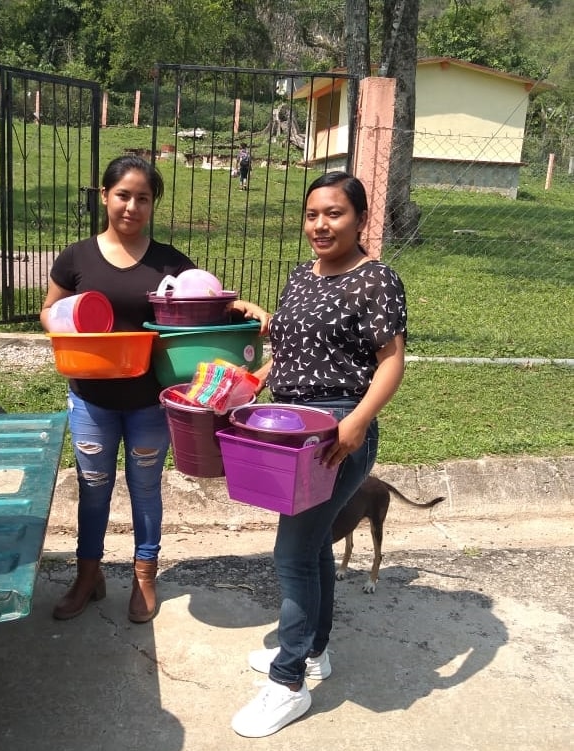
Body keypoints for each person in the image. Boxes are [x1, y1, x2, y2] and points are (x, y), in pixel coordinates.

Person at [40, 154, 268, 624]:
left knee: (145, 488)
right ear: (105, 196)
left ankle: (145, 575)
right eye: (123, 195)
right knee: (93, 488)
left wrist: (239, 305)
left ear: (152, 204)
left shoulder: (171, 263)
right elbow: (49, 309)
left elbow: (204, 305)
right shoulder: (76, 257)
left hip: (149, 401)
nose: (132, 206)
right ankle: (88, 575)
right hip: (91, 399)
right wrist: (69, 329)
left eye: (143, 198)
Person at [228, 171, 407, 737]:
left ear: (360, 219)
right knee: (311, 545)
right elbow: (288, 351)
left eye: (334, 213)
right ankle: (313, 652)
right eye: (312, 215)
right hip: (288, 428)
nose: (321, 225)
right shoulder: (302, 276)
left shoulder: (376, 280)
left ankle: (288, 683)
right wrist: (250, 383)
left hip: (336, 434)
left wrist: (357, 421)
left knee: (292, 552)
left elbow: (391, 361)